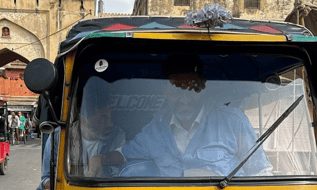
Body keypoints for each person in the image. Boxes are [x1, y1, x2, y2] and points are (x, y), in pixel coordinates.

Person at [88, 55, 272, 178]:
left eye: (191, 90)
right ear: (165, 92)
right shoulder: (155, 130)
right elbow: (124, 154)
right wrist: (99, 159)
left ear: (202, 89)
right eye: (176, 92)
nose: (184, 100)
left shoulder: (233, 122)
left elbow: (261, 172)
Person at [34, 77, 126, 190]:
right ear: (86, 117)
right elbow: (46, 178)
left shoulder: (117, 136)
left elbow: (122, 172)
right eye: (104, 117)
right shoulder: (58, 137)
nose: (110, 123)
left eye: (111, 116)